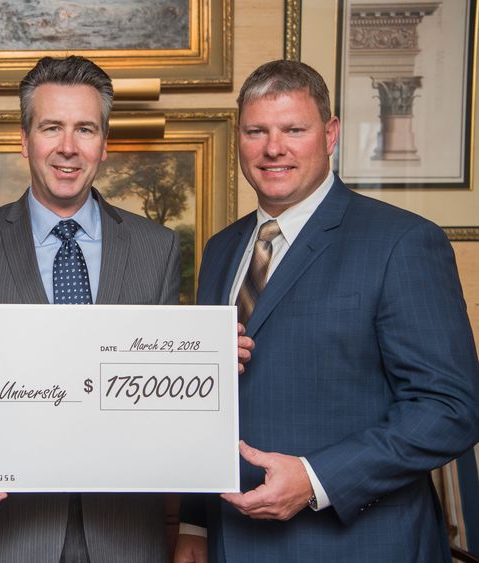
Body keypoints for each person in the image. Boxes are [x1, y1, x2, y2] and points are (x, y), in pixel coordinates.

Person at [176, 59, 479, 562]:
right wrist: (195, 522)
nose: (274, 148)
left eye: (294, 129)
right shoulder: (221, 250)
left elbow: (450, 410)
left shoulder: (402, 242)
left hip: (359, 544)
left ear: (331, 133)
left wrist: (317, 480)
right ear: (239, 139)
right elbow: (213, 401)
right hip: (235, 539)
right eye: (257, 131)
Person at [0, 55, 180, 563]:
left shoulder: (157, 248)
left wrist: (212, 363)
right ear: (24, 140)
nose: (68, 147)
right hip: (5, 534)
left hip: (125, 535)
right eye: (51, 128)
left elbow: (167, 395)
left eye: (85, 129)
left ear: (104, 144)